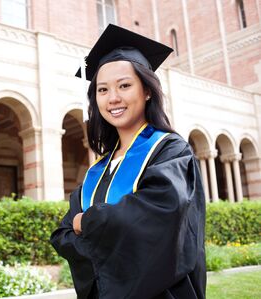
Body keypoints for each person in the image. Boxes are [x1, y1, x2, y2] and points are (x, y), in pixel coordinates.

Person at [50, 24, 206, 299]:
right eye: (102, 90)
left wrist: (86, 223)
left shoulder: (170, 151)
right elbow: (62, 235)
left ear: (147, 91)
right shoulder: (98, 170)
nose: (113, 98)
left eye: (124, 85)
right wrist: (102, 231)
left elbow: (159, 219)